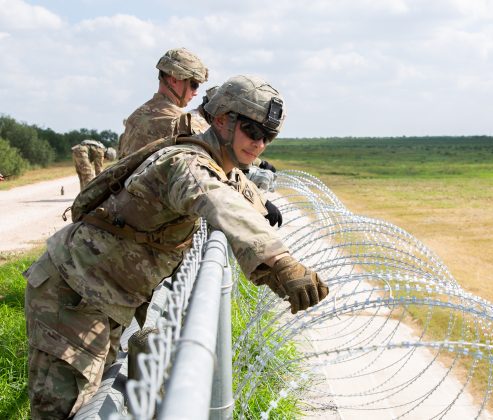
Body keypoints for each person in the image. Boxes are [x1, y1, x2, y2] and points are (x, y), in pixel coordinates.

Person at [23, 74, 329, 419]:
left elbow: (233, 187)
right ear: (223, 120)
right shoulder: (185, 164)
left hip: (108, 295)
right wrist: (281, 262)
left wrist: (261, 209)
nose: (259, 144)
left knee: (92, 403)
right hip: (74, 294)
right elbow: (215, 199)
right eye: (252, 131)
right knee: (65, 412)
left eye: (268, 136)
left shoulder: (215, 161)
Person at [117, 47, 208, 158]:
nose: (195, 93)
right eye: (194, 85)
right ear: (174, 79)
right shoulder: (180, 122)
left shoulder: (134, 117)